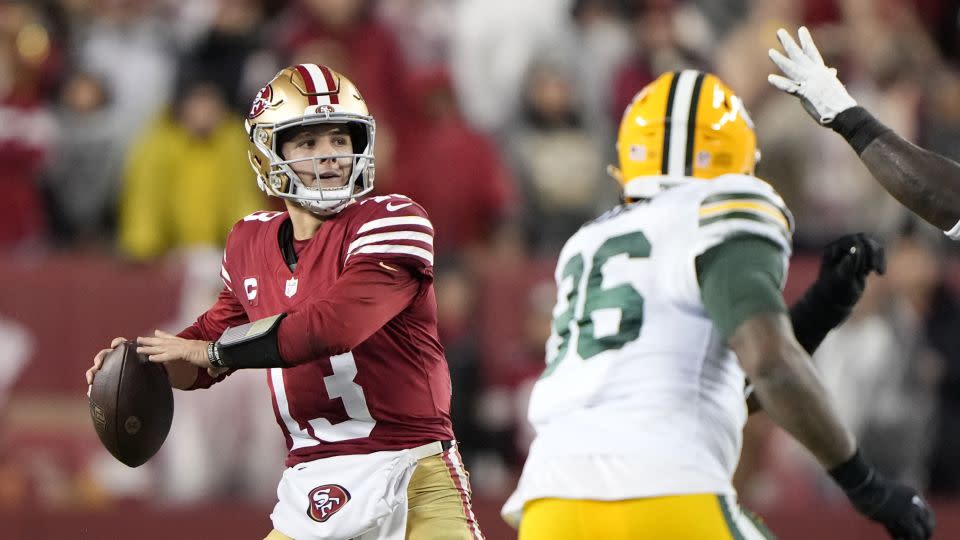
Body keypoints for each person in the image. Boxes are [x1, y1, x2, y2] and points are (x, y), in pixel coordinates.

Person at [501, 70, 935, 539]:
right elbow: (770, 363)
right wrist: (866, 485)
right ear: (741, 161)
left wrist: (822, 308)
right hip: (665, 492)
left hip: (550, 508)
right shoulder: (722, 207)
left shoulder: (589, 242)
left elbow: (719, 381)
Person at [85, 64, 484, 540]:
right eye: (308, 143)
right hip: (308, 485)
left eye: (340, 139)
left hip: (410, 472)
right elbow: (205, 351)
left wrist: (210, 351)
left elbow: (331, 328)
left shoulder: (394, 219)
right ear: (266, 154)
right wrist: (139, 364)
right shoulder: (250, 239)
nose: (330, 156)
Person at [768, 26, 960, 240]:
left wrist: (849, 117)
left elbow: (952, 201)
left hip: (876, 234)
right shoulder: (793, 115)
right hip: (808, 232)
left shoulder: (895, 105)